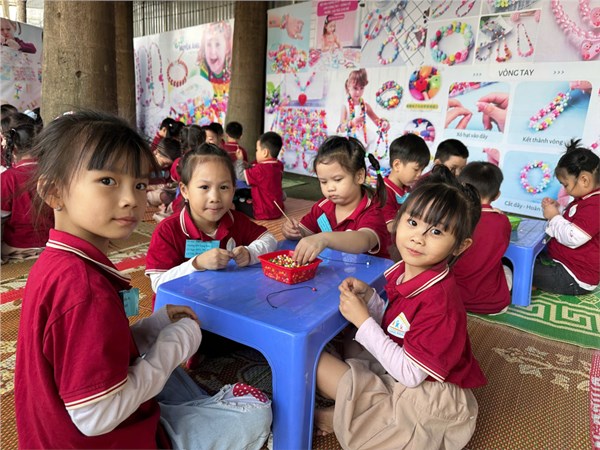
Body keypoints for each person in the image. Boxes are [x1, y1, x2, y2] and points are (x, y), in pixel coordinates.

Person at [15, 110, 272, 449]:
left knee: (164, 364)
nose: (130, 200)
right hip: (106, 437)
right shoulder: (84, 288)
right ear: (54, 192)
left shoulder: (61, 263)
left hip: (69, 428)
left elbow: (96, 350)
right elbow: (95, 417)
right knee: (257, 412)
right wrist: (174, 344)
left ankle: (194, 408)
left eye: (138, 185)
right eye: (108, 181)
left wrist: (154, 327)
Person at [313, 166, 486, 449]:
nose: (418, 237)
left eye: (436, 231)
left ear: (459, 246)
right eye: (413, 222)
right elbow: (399, 324)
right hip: (405, 368)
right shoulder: (405, 270)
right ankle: (349, 411)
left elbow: (411, 375)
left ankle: (344, 415)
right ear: (398, 220)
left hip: (428, 397)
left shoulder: (440, 301)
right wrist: (371, 300)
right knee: (343, 341)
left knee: (319, 363)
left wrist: (364, 321)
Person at [145, 143, 277, 293]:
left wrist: (250, 253)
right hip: (182, 306)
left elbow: (269, 239)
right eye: (204, 187)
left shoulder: (237, 220)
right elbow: (158, 283)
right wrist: (197, 264)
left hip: (225, 299)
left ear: (233, 190)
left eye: (224, 187)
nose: (215, 197)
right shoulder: (167, 231)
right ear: (185, 190)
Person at [282, 136, 391, 264]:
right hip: (334, 271)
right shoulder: (321, 208)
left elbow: (364, 240)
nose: (330, 188)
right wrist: (294, 231)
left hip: (370, 274)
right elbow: (305, 232)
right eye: (323, 182)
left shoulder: (372, 212)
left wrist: (324, 238)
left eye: (337, 180)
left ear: (359, 176)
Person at [533, 139, 599, 295]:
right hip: (563, 262)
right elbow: (574, 220)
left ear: (584, 180)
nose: (565, 190)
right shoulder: (586, 199)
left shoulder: (596, 206)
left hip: (574, 277)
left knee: (524, 268)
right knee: (531, 256)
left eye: (565, 185)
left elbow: (573, 237)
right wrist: (558, 208)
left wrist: (554, 217)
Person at [454, 162, 512, 314]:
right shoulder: (502, 221)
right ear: (497, 195)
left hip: (452, 300)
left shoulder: (453, 217)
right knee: (507, 268)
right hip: (494, 305)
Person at [1, 113, 53, 262]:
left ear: (13, 148)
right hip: (53, 242)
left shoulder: (7, 178)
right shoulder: (54, 172)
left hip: (19, 246)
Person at [382, 134, 430, 233]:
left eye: (422, 170)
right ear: (397, 165)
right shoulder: (383, 192)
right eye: (416, 169)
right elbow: (390, 226)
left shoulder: (408, 189)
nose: (419, 175)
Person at [233, 131, 284, 220]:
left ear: (265, 152)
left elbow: (240, 175)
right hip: (277, 210)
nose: (256, 152)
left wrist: (239, 160)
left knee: (236, 200)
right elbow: (262, 173)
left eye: (257, 150)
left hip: (262, 212)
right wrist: (249, 166)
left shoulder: (260, 170)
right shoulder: (279, 165)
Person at [337, 69, 389, 151]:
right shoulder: (345, 106)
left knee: (369, 145)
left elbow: (377, 121)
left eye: (361, 88)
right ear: (348, 86)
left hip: (363, 136)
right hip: (349, 138)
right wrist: (352, 123)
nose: (358, 92)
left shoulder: (365, 106)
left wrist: (384, 124)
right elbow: (341, 128)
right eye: (355, 88)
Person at [197, 21, 233, 96]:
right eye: (209, 44)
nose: (212, 52)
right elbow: (203, 95)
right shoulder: (205, 68)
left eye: (217, 44)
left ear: (227, 48)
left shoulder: (230, 68)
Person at [147, 137, 182, 210]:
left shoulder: (169, 168)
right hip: (145, 194)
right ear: (156, 152)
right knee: (165, 196)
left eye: (169, 164)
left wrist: (170, 186)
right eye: (164, 163)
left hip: (163, 193)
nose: (166, 166)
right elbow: (136, 186)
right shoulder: (145, 164)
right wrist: (156, 187)